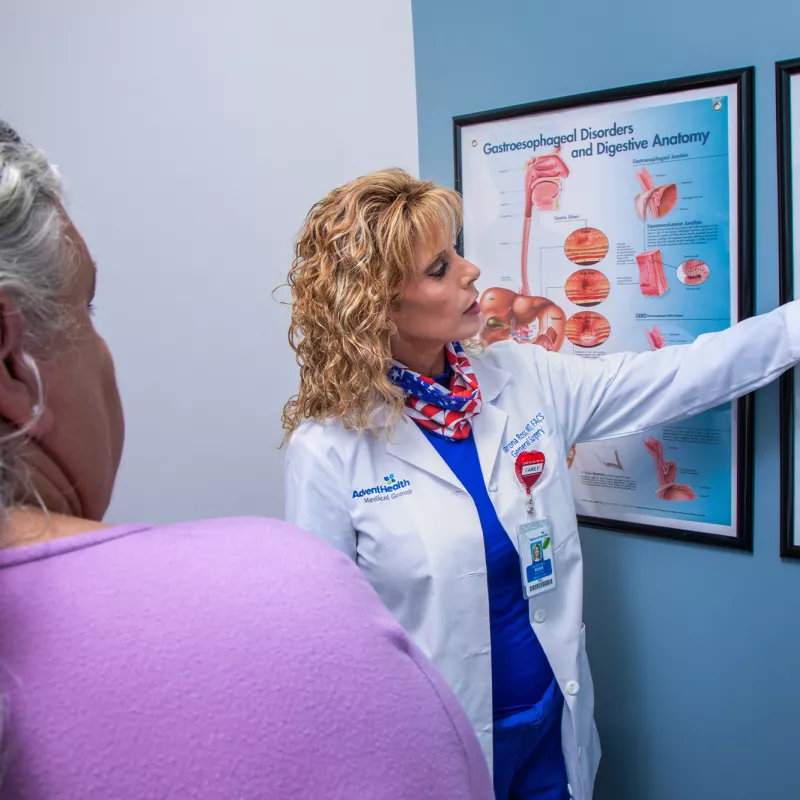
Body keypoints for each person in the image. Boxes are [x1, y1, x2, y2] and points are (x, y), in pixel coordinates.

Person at [0, 126, 494, 800]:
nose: (468, 273)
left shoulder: (506, 377)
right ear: (8, 357)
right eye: (88, 307)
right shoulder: (282, 565)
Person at [282, 168, 800, 800]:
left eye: (457, 252)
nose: (471, 272)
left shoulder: (520, 379)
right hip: (432, 753)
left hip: (550, 729)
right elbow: (326, 651)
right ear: (379, 305)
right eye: (439, 268)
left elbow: (674, 377)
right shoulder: (330, 449)